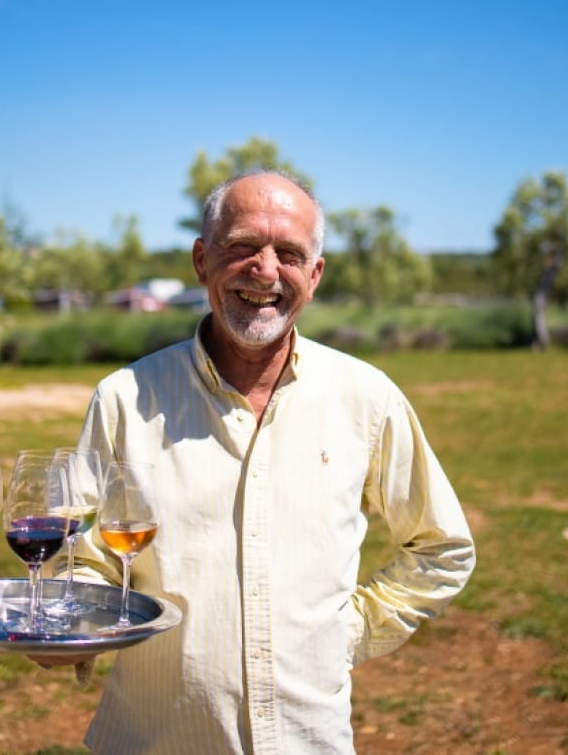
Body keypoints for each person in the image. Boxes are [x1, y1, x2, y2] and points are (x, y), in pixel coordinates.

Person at [42, 170, 475, 754]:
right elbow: (78, 555)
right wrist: (73, 624)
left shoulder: (366, 398)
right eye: (242, 247)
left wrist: (347, 633)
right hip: (155, 741)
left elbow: (441, 547)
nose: (265, 271)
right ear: (202, 260)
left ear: (314, 276)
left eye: (290, 254)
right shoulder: (124, 398)